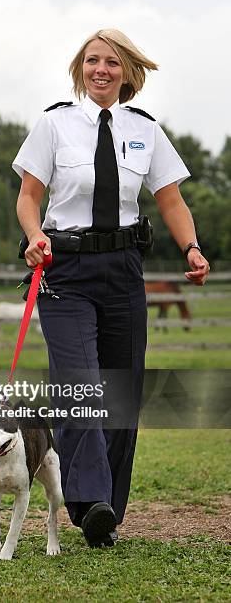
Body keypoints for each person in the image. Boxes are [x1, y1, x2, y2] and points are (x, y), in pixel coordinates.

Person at [12, 28, 210, 547]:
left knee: (121, 392)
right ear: (81, 68)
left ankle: (107, 513)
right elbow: (29, 196)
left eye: (113, 63)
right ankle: (90, 500)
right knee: (81, 383)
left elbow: (170, 199)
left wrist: (191, 246)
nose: (102, 70)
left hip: (123, 269)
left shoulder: (144, 129)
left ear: (127, 73)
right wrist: (34, 237)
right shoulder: (54, 124)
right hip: (66, 270)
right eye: (93, 61)